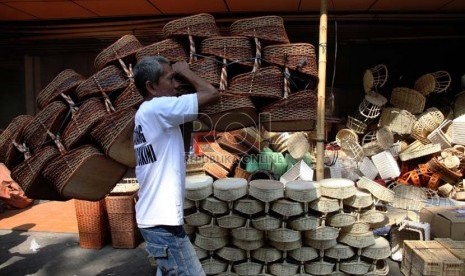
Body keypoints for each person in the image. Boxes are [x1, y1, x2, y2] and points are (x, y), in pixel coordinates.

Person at [132, 56, 219, 275]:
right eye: (171, 79)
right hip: (162, 224)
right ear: (151, 87)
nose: (176, 84)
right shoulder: (157, 108)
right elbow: (212, 94)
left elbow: (182, 144)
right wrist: (186, 70)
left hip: (156, 220)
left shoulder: (146, 113)